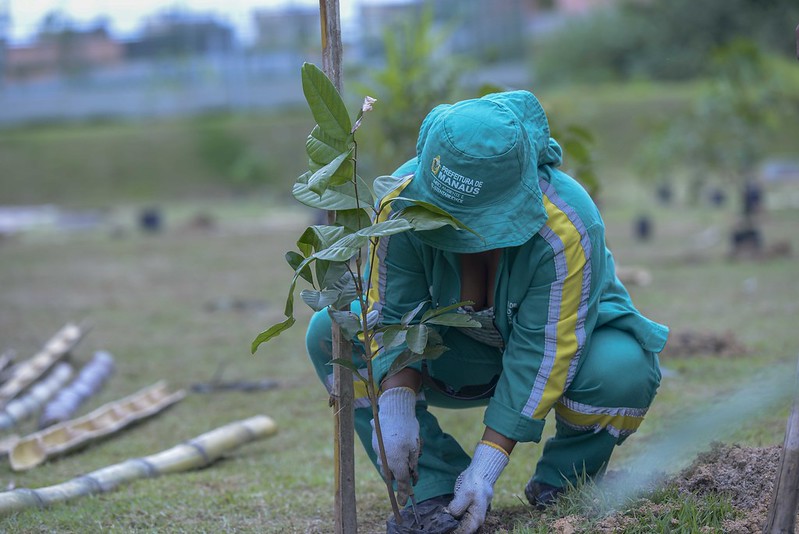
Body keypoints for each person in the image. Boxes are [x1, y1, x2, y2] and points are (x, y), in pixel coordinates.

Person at [306, 90, 668, 534]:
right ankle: (430, 486)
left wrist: (486, 467)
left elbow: (545, 350)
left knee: (621, 370)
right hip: (451, 352)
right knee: (332, 331)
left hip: (562, 350)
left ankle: (564, 484)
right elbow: (393, 316)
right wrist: (395, 401)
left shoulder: (567, 225)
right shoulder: (399, 204)